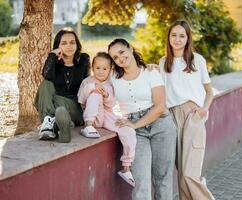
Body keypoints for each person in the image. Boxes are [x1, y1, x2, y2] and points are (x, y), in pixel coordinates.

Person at [108, 38, 177, 200]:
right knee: (140, 181)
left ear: (130, 48)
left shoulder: (151, 72)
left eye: (121, 52)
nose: (120, 58)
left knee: (163, 179)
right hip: (136, 132)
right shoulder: (112, 77)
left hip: (161, 125)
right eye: (115, 58)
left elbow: (160, 106)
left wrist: (135, 124)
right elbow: (95, 76)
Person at [158, 19, 215, 200]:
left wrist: (203, 110)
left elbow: (209, 92)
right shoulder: (162, 62)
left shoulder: (197, 60)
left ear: (188, 38)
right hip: (171, 118)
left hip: (192, 116)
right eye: (173, 35)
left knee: (190, 174)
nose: (177, 39)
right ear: (168, 37)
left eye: (182, 35)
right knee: (182, 174)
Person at [77, 52, 137, 186]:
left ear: (110, 70)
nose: (101, 72)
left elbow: (112, 103)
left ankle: (126, 167)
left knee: (129, 131)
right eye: (97, 68)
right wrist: (93, 89)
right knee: (95, 95)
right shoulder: (87, 81)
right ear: (92, 67)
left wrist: (106, 94)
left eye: (105, 69)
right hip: (93, 117)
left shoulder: (111, 84)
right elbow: (81, 99)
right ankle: (88, 126)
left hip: (108, 115)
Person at [34, 27, 90, 143]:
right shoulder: (54, 62)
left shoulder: (83, 60)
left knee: (52, 100)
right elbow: (47, 76)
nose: (69, 46)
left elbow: (87, 84)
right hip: (58, 109)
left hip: (76, 109)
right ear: (58, 46)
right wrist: (52, 55)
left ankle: (51, 122)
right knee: (46, 84)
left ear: (77, 44)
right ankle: (60, 125)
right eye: (64, 43)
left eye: (72, 42)